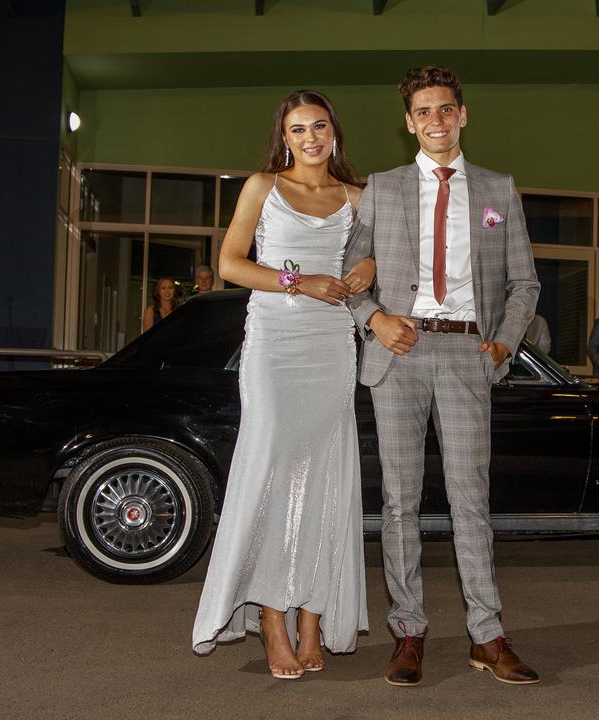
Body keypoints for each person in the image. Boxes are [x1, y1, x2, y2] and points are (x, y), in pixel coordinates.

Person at [341, 65, 541, 686]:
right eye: (423, 112)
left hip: (466, 355)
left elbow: (524, 281)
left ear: (463, 115)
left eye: (446, 109)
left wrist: (502, 346)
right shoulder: (382, 187)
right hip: (398, 353)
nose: (436, 120)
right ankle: (408, 632)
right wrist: (374, 317)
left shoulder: (498, 189)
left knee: (468, 499)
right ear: (408, 122)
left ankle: (487, 634)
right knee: (400, 500)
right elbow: (353, 272)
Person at [191, 89, 375, 680]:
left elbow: (381, 261)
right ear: (285, 137)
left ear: (334, 132)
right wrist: (301, 281)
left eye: (319, 126)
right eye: (298, 130)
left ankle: (312, 619)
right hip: (275, 345)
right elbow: (230, 264)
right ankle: (272, 617)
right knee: (273, 469)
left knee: (326, 477)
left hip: (331, 347)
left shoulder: (357, 197)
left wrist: (368, 267)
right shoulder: (262, 187)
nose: (311, 138)